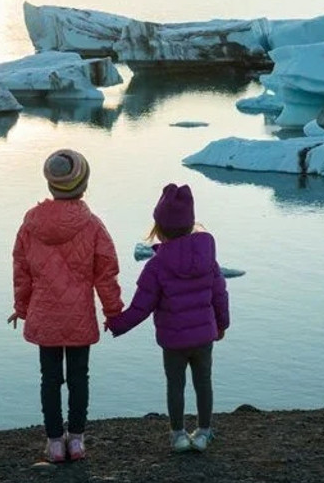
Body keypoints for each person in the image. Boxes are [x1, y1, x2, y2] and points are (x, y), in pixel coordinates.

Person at [9, 149, 123, 465]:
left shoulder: (30, 225)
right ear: (83, 185)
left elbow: (21, 269)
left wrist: (22, 307)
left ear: (51, 185)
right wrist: (112, 311)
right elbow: (106, 271)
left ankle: (54, 443)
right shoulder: (93, 226)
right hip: (79, 317)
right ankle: (76, 440)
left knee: (49, 379)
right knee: (78, 378)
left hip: (45, 316)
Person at [106, 183, 230, 453]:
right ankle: (204, 432)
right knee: (204, 382)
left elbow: (141, 307)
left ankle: (178, 435)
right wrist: (222, 325)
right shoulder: (208, 259)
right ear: (190, 223)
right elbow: (220, 294)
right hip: (204, 336)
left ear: (159, 228)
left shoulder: (157, 266)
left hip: (173, 339)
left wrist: (116, 323)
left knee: (175, 385)